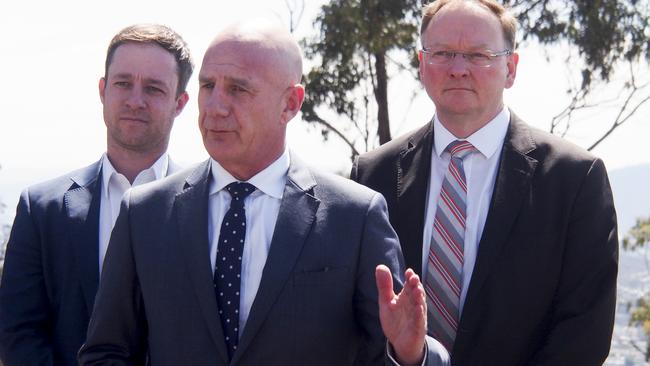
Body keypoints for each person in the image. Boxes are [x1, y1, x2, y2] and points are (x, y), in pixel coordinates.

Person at [78, 20, 449, 366]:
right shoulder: (145, 212)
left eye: (238, 89)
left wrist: (412, 353)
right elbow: (106, 351)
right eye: (208, 86)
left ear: (290, 103)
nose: (216, 107)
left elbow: (387, 352)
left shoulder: (354, 216)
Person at [351, 0, 618, 365]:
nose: (459, 69)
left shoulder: (573, 179)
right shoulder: (372, 174)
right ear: (421, 64)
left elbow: (583, 337)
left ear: (511, 68)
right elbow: (357, 322)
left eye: (479, 55)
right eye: (442, 53)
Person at [0, 24, 193, 366]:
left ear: (179, 103)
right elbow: (17, 333)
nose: (136, 100)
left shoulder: (208, 206)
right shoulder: (41, 209)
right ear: (103, 90)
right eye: (123, 83)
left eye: (153, 88)